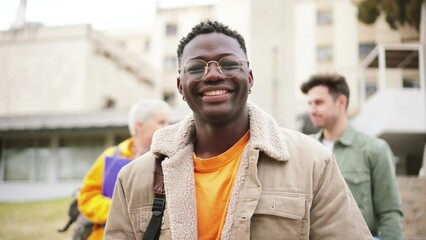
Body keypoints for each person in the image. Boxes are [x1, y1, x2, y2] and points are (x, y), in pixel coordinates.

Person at [105, 20, 372, 239]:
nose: (212, 74)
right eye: (196, 67)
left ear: (250, 78)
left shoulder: (313, 163)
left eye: (229, 64)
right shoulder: (135, 178)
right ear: (180, 87)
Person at [300, 73, 404, 240]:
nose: (312, 110)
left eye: (318, 102)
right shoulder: (305, 149)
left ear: (341, 102)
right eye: (310, 103)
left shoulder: (375, 150)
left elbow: (389, 213)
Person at [77, 99, 171, 240]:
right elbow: (86, 199)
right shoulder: (112, 156)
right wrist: (124, 210)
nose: (168, 127)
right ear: (139, 125)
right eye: (161, 122)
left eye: (168, 123)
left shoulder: (170, 159)